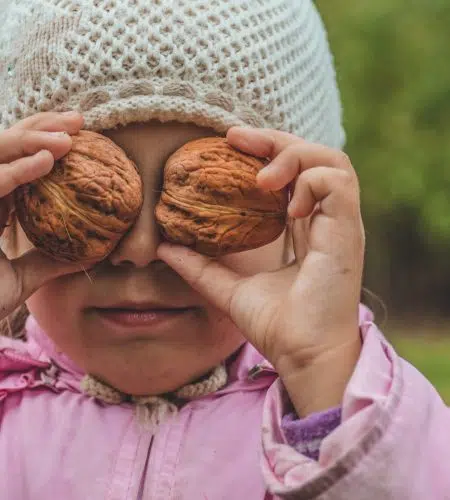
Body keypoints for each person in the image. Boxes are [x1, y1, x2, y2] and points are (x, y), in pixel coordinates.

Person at [0, 1, 448, 499]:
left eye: (216, 198)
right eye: (78, 198)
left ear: (301, 220)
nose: (142, 250)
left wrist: (322, 374)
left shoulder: (353, 414)